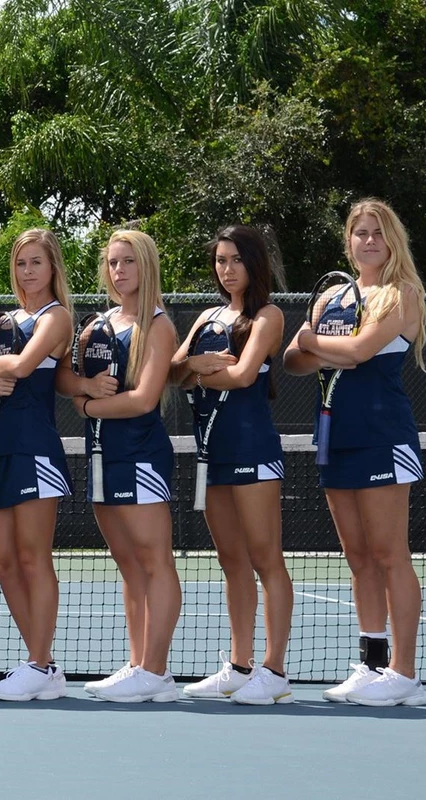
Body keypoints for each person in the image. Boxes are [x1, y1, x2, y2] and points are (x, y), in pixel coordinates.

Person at [284, 199, 425, 707]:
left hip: (383, 437)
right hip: (336, 439)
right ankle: (373, 664)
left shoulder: (402, 294)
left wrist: (314, 341)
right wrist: (320, 345)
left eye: (378, 233)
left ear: (392, 241)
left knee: (390, 555)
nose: (368, 241)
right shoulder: (333, 298)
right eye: (360, 233)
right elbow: (293, 360)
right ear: (349, 241)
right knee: (359, 557)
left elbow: (362, 351)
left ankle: (405, 673)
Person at [172, 225, 293, 705]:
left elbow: (242, 376)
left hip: (252, 451)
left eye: (236, 259)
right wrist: (193, 366)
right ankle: (240, 666)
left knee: (266, 558)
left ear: (254, 262)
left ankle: (274, 671)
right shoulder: (207, 317)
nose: (227, 269)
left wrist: (198, 369)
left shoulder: (269, 316)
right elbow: (173, 372)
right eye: (220, 260)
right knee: (231, 561)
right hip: (213, 455)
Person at [61, 229, 182, 703]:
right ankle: (137, 665)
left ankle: (157, 672)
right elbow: (72, 382)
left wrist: (89, 406)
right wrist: (84, 391)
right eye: (113, 262)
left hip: (140, 457)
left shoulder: (159, 326)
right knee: (129, 565)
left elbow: (143, 400)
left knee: (154, 561)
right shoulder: (97, 325)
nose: (118, 270)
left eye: (128, 261)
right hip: (102, 457)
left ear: (145, 266)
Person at [0, 228, 75, 702]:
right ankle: (42, 664)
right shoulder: (4, 321)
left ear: (52, 267)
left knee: (34, 558)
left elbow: (22, 366)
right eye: (20, 263)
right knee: (3, 561)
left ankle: (39, 662)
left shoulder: (57, 317)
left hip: (36, 451)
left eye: (36, 262)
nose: (27, 271)